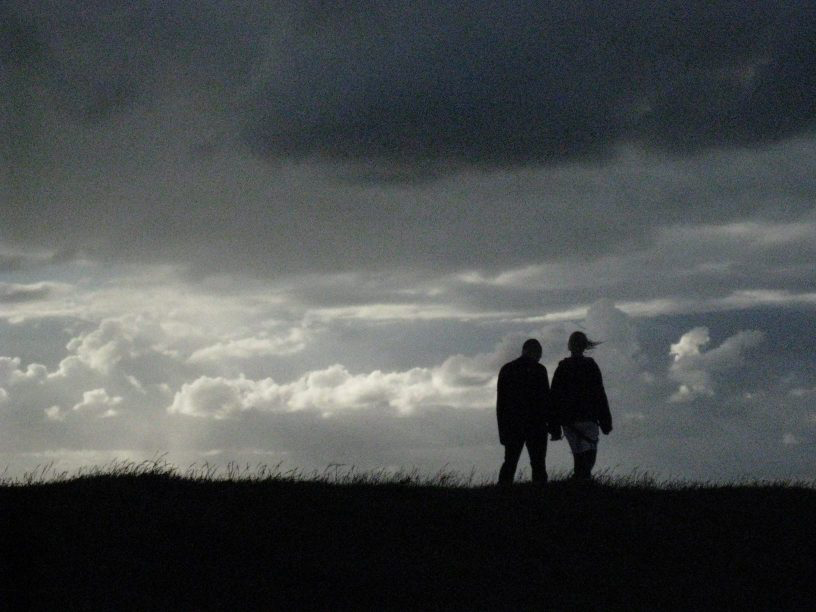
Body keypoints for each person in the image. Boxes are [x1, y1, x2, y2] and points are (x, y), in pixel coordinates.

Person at [496, 339, 560, 486]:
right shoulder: (539, 370)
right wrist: (553, 427)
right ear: (534, 352)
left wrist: (502, 431)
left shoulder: (507, 369)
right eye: (539, 355)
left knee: (509, 464)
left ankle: (501, 497)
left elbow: (501, 404)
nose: (539, 358)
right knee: (538, 465)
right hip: (536, 425)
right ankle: (539, 499)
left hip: (513, 425)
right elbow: (546, 401)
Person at [550, 331, 612, 481]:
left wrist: (554, 428)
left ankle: (579, 485)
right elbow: (599, 395)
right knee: (588, 456)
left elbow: (554, 398)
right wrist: (605, 422)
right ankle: (582, 485)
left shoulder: (562, 368)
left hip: (569, 421)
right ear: (585, 346)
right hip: (588, 419)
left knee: (579, 458)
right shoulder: (590, 366)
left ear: (569, 346)